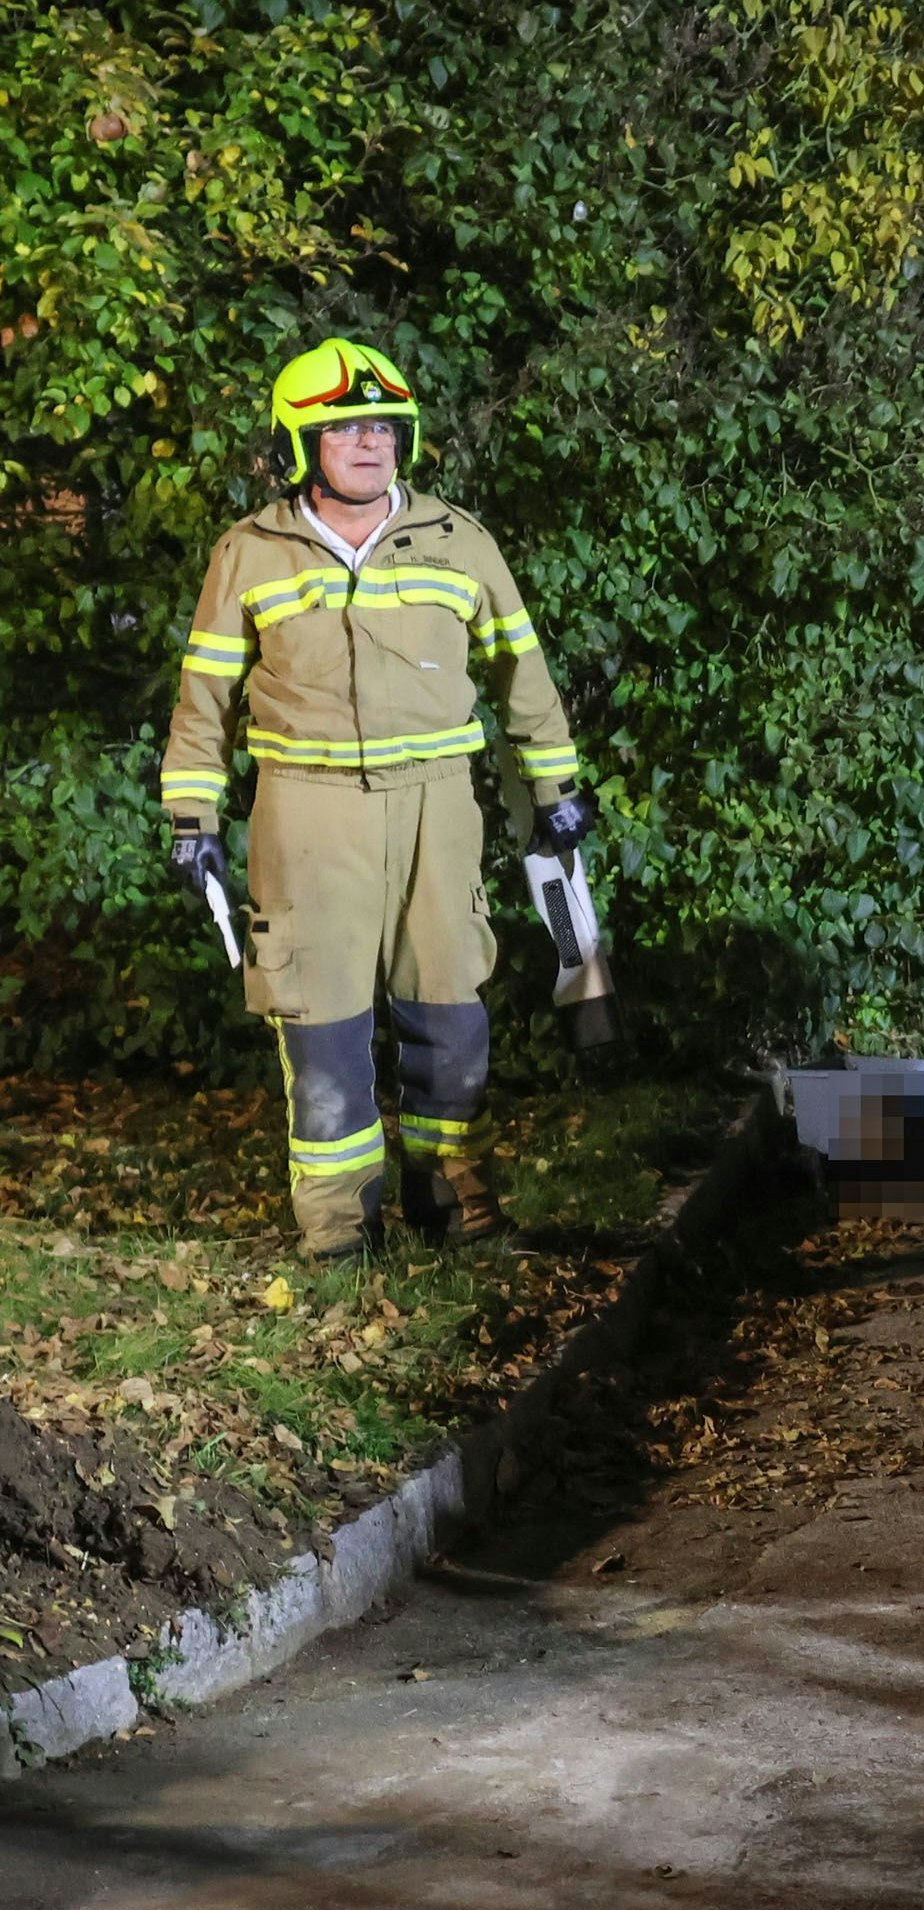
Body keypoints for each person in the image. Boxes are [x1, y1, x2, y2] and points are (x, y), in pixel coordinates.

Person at [159, 339, 591, 1259]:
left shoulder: (459, 540)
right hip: (306, 816)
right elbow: (203, 701)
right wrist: (192, 819)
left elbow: (524, 674)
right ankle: (340, 1236)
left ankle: (457, 1209)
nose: (370, 443)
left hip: (441, 813)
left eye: (384, 427)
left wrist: (555, 790)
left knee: (450, 1014)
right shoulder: (250, 553)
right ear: (295, 444)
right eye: (344, 428)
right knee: (321, 1028)